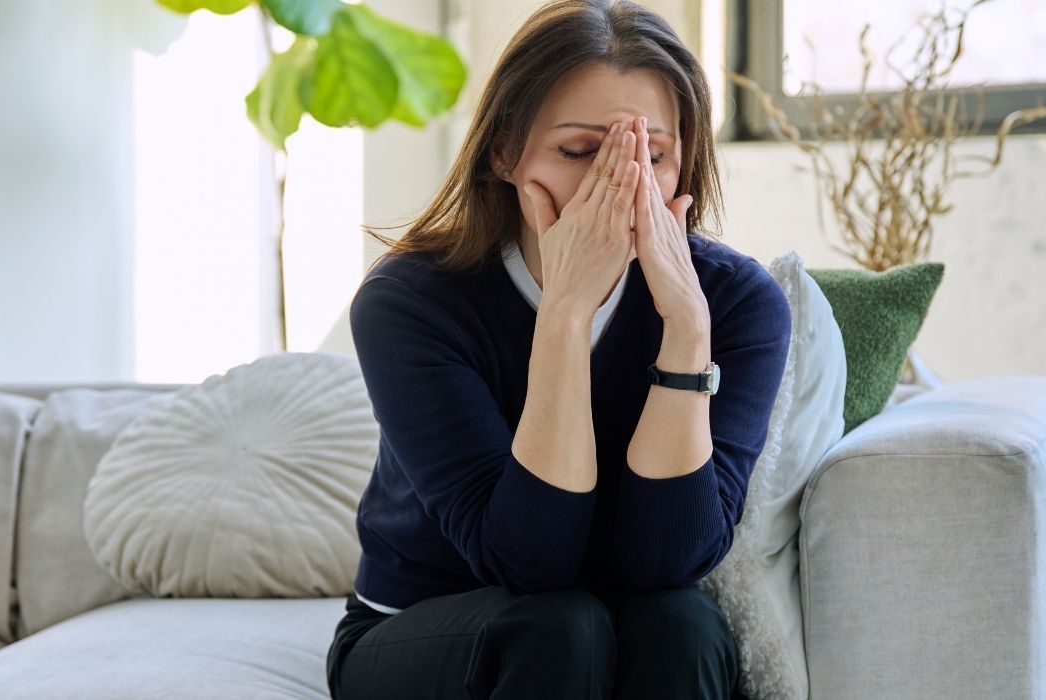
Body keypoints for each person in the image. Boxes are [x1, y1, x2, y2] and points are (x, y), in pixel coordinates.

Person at [326, 0, 791, 697]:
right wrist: (567, 313)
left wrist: (688, 332)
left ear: (685, 163)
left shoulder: (735, 302)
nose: (620, 184)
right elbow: (528, 561)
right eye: (580, 152)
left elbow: (669, 559)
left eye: (652, 156)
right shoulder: (410, 301)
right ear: (505, 152)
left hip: (627, 609)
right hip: (431, 621)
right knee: (558, 626)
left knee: (680, 626)